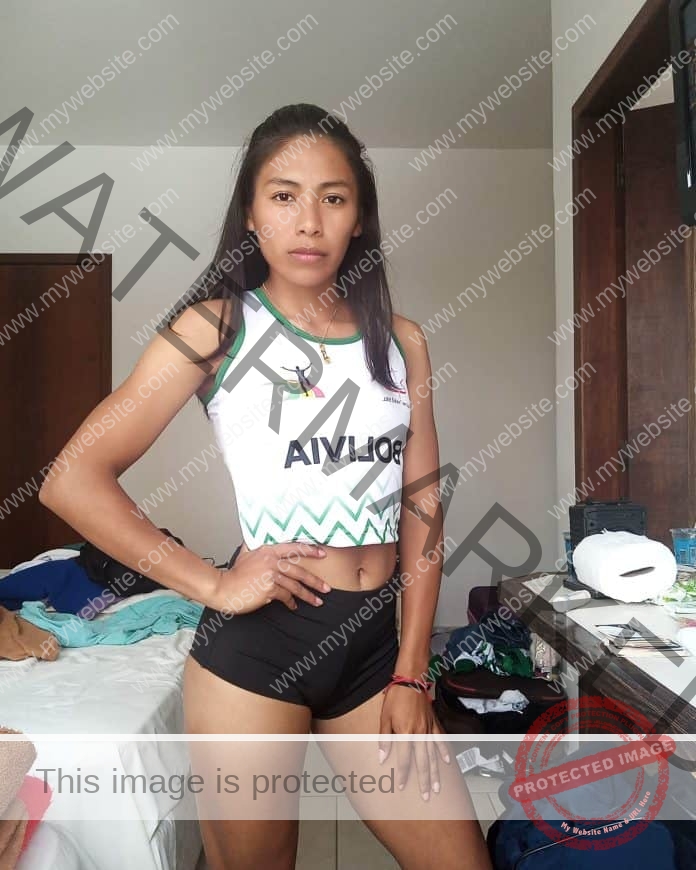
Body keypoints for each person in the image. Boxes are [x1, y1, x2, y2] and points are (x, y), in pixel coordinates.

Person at [39, 103, 492, 869]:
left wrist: (414, 666)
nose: (308, 221)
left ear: (359, 218)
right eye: (284, 196)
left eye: (333, 197)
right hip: (257, 652)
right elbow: (71, 479)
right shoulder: (215, 330)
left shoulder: (401, 340)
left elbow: (422, 508)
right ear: (251, 214)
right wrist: (212, 585)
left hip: (379, 648)